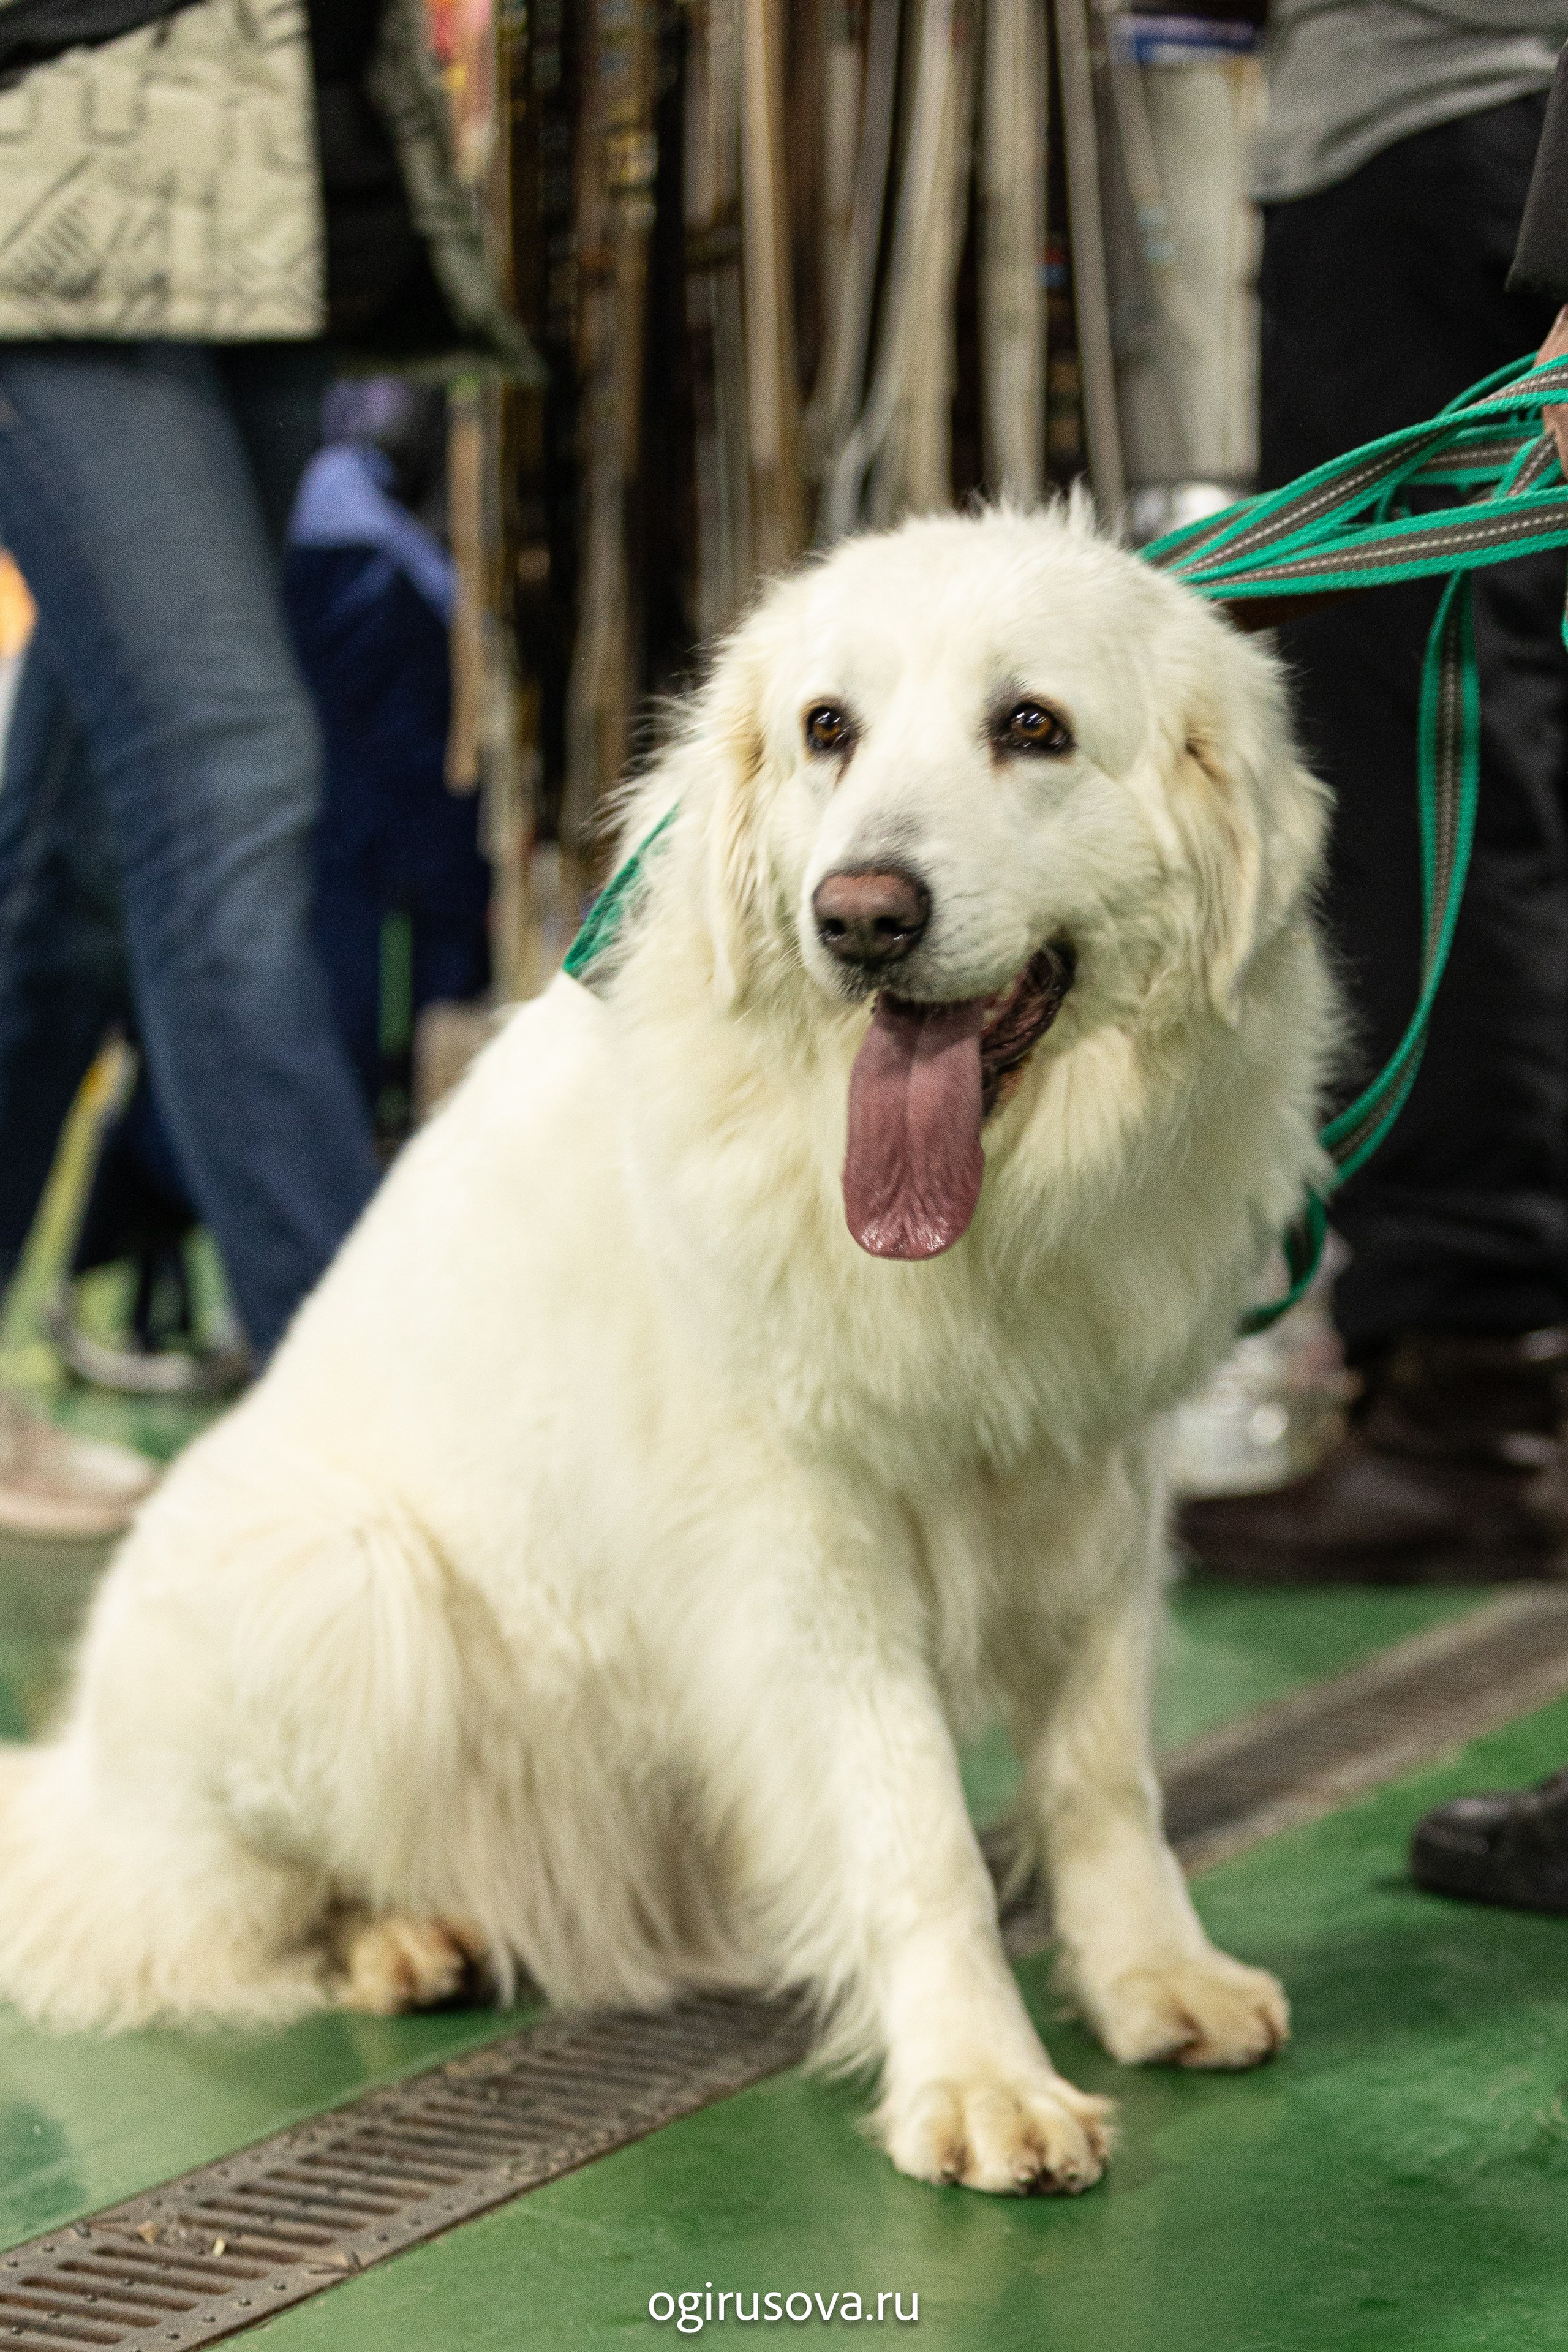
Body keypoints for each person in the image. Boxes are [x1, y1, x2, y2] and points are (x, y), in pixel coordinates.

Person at [0, 0, 530, 1534]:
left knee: (74, 864)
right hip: (52, 179)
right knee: (228, 764)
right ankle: (388, 1441)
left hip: (278, 207)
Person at [1180, 0, 1568, 1585]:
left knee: (1433, 735)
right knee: (1453, 722)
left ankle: (1477, 1385)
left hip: (1448, 109)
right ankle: (1476, 1364)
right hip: (1484, 126)